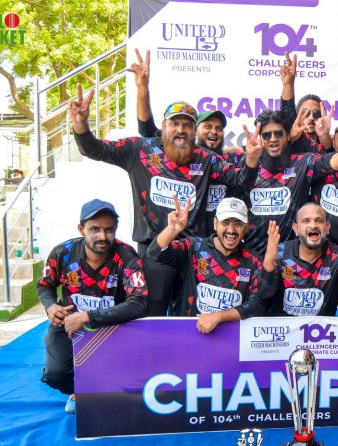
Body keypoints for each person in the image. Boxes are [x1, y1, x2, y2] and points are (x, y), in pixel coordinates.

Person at [70, 84, 260, 316]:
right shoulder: (139, 149)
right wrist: (81, 126)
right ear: (163, 126)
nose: (181, 130)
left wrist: (251, 159)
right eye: (174, 123)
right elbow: (95, 150)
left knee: (190, 319)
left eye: (187, 125)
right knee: (153, 316)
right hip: (155, 251)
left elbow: (241, 179)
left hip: (194, 253)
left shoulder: (206, 158)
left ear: (194, 131)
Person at [37, 199, 148, 413]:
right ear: (81, 228)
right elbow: (45, 285)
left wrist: (88, 316)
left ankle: (101, 388)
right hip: (69, 325)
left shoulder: (127, 257)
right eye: (94, 229)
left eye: (109, 230)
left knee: (126, 380)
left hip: (112, 326)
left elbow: (139, 303)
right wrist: (50, 306)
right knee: (55, 375)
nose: (102, 236)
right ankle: (79, 390)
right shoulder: (62, 253)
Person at [126, 48, 244, 235]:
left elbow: (259, 158)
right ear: (195, 130)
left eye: (219, 128)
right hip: (180, 238)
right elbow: (146, 128)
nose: (214, 131)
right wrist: (142, 88)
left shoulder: (231, 159)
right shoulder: (176, 146)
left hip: (218, 241)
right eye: (208, 126)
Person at [240, 109, 338, 254]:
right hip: (250, 258)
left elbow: (333, 161)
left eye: (278, 133)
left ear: (288, 135)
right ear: (259, 138)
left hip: (289, 260)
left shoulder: (302, 162)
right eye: (266, 135)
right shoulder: (247, 163)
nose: (273, 139)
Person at [148, 196, 279, 329]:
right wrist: (172, 230)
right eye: (225, 222)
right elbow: (155, 253)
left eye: (238, 224)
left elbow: (258, 304)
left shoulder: (253, 260)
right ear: (215, 223)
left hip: (232, 337)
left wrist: (219, 317)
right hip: (187, 334)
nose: (231, 230)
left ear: (246, 228)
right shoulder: (194, 247)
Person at [271, 203, 338, 318]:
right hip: (284, 328)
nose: (313, 225)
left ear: (328, 227)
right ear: (296, 228)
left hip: (322, 329)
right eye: (306, 221)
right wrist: (268, 262)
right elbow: (265, 292)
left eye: (319, 220)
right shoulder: (280, 253)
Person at [279, 52, 333, 154]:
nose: (311, 118)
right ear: (297, 117)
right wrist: (289, 85)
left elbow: (331, 156)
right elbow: (287, 108)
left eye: (316, 114)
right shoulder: (292, 141)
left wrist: (325, 137)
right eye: (305, 113)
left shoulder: (333, 142)